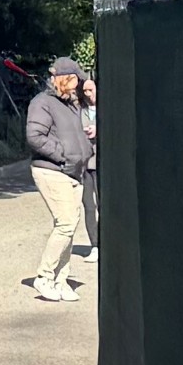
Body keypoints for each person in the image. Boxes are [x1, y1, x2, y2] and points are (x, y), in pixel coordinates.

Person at [25, 57, 93, 303]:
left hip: (73, 171)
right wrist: (64, 156)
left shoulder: (70, 103)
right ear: (66, 79)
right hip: (52, 170)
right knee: (65, 223)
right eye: (76, 79)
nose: (79, 84)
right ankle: (44, 276)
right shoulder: (43, 103)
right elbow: (35, 136)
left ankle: (61, 279)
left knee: (70, 225)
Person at [80, 77, 100, 260]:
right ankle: (94, 244)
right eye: (85, 91)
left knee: (104, 205)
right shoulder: (80, 111)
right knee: (88, 206)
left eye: (91, 90)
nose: (88, 94)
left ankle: (106, 242)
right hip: (85, 164)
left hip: (102, 163)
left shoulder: (108, 110)